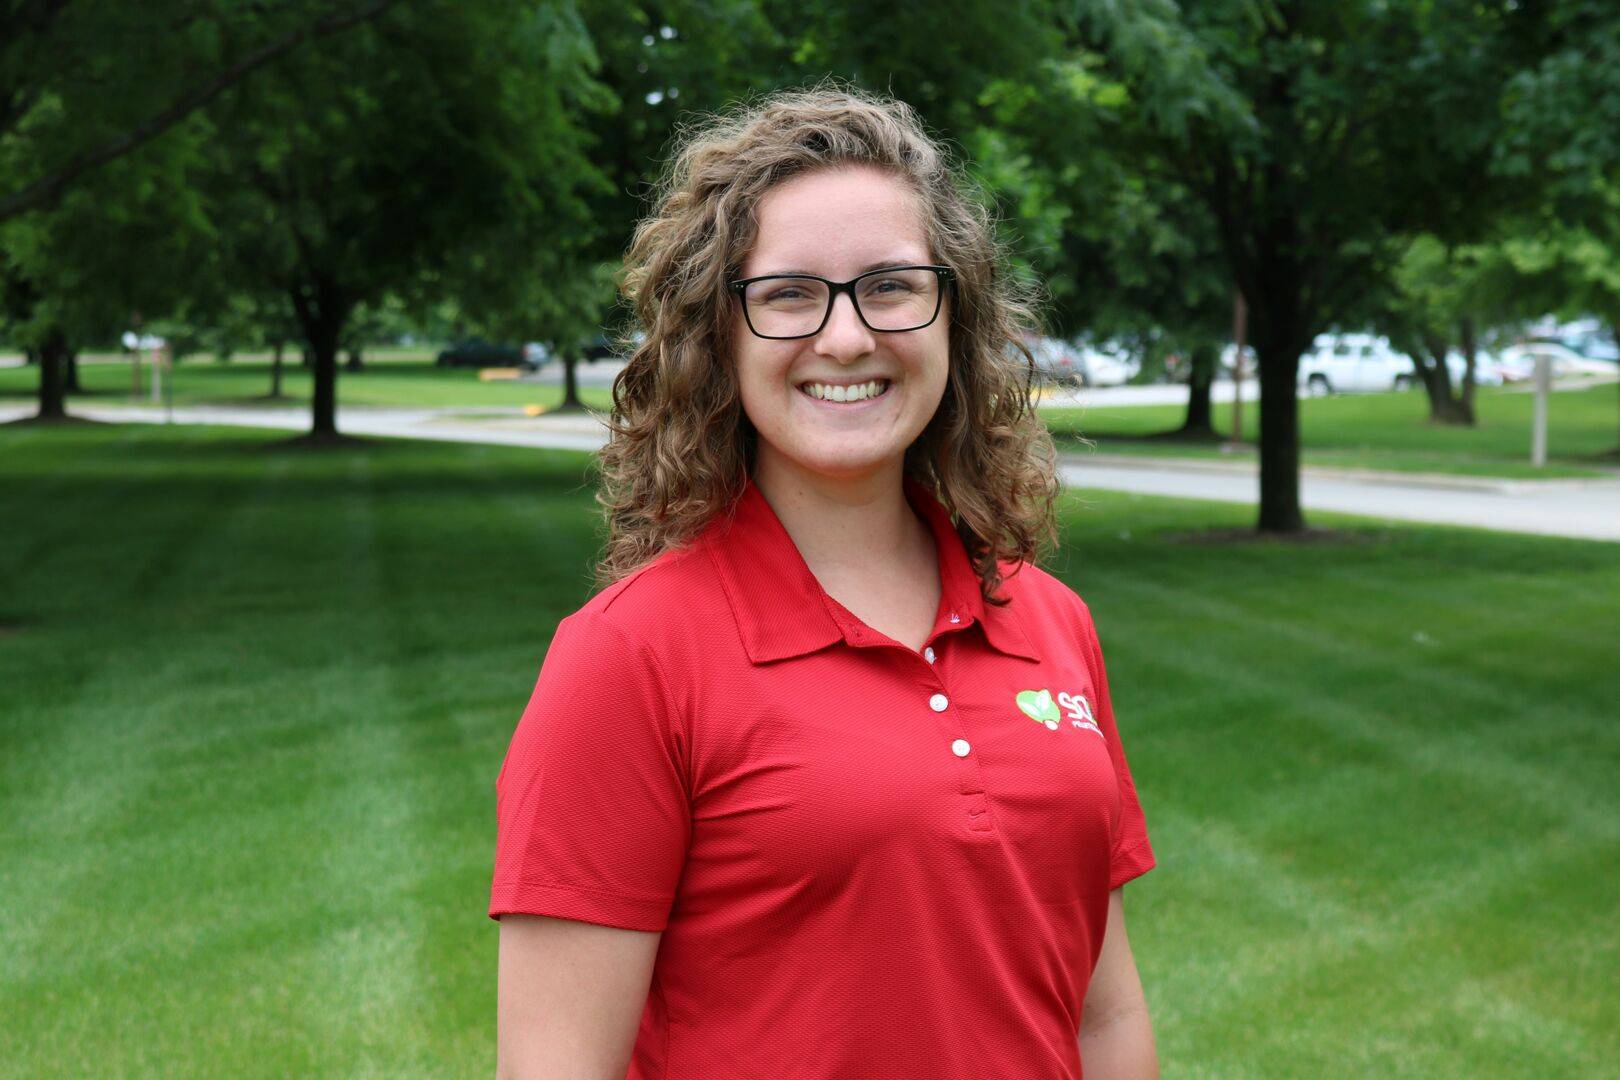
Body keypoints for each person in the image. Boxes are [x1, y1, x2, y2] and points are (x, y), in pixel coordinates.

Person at [490, 85, 1158, 1079]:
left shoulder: (1052, 624)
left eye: (890, 285)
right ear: (716, 336)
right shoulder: (627, 658)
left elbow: (1101, 1020)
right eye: (790, 294)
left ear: (953, 315)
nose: (846, 337)